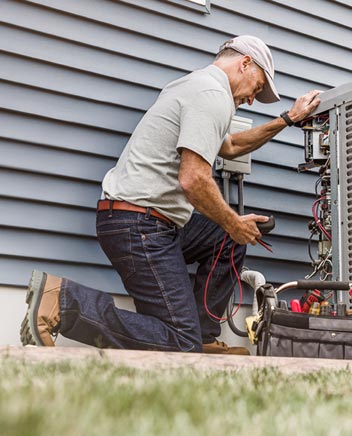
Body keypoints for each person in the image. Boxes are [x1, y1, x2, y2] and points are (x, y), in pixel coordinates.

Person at [19, 35, 321, 354]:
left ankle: (202, 336)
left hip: (145, 220)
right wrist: (233, 221)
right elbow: (193, 179)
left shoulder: (196, 85)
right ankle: (63, 301)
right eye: (257, 88)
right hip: (138, 224)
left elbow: (231, 146)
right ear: (245, 63)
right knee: (180, 341)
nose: (251, 99)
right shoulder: (211, 95)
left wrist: (288, 119)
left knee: (227, 240)